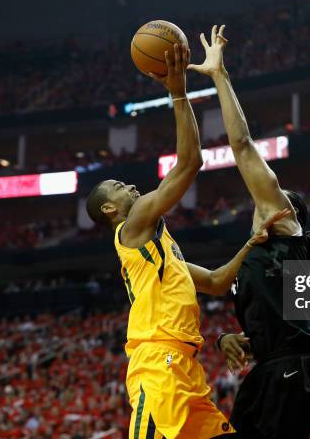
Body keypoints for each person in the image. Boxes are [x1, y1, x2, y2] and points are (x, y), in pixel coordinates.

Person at [86, 44, 288, 439]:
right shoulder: (133, 226)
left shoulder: (161, 251)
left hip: (185, 367)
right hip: (157, 365)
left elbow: (213, 281)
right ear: (111, 211)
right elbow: (190, 162)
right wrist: (177, 92)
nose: (127, 185)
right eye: (117, 187)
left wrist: (251, 242)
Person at [188, 25, 310, 439]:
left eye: (274, 198)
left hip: (293, 369)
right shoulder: (261, 255)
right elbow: (277, 325)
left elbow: (241, 145)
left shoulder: (283, 226)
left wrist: (219, 76)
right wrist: (232, 337)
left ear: (287, 213)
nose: (263, 200)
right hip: (275, 368)